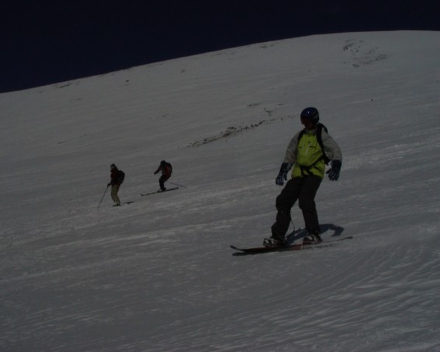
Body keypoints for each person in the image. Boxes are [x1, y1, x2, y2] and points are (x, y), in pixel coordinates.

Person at [270, 107, 342, 245]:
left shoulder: (322, 135)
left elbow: (335, 150)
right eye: (302, 121)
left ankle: (314, 233)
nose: (304, 125)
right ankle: (278, 236)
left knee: (305, 200)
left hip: (314, 174)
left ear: (314, 121)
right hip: (298, 174)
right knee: (283, 201)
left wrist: (336, 166)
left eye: (307, 122)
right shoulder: (300, 136)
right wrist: (283, 171)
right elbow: (290, 154)